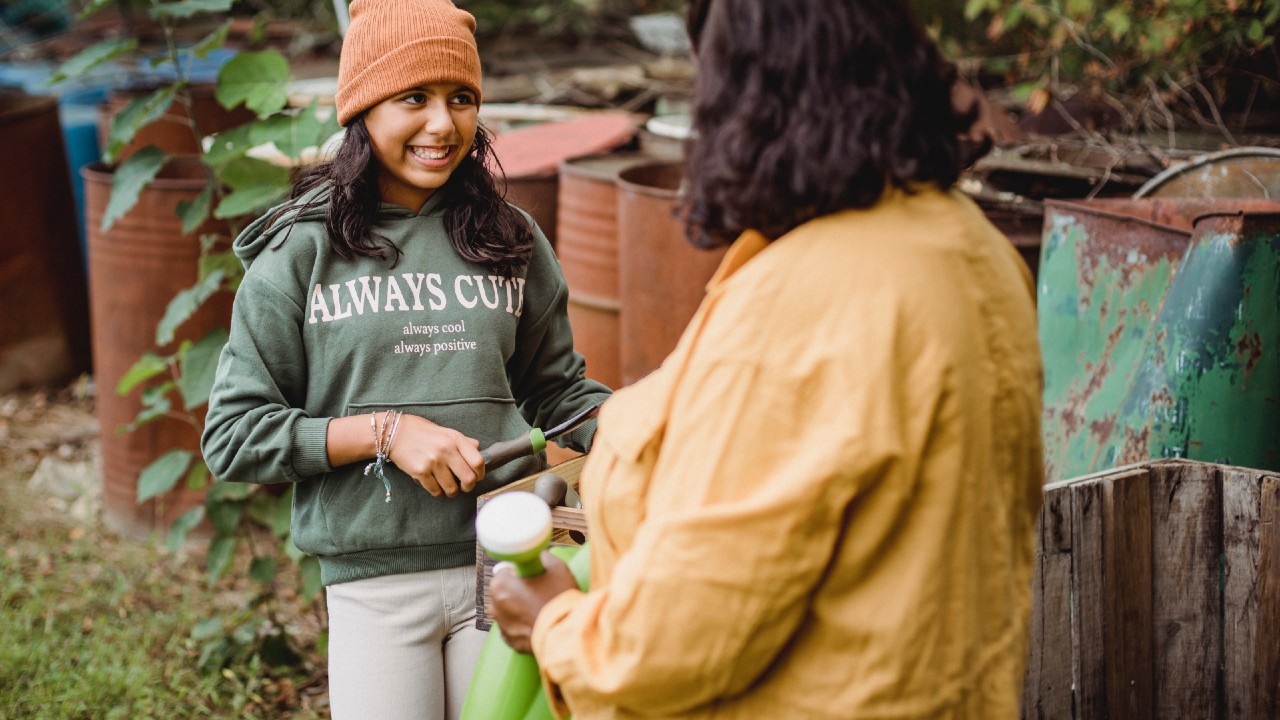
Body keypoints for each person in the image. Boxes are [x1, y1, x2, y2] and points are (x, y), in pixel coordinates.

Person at [489, 1, 1044, 718]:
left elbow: (681, 637)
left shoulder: (805, 306)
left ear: (750, 97)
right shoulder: (977, 251)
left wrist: (555, 625)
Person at [199, 0, 611, 717]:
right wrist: (386, 431)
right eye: (413, 98)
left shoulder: (511, 239)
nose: (442, 124)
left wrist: (639, 428)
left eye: (462, 98)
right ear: (363, 109)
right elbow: (233, 436)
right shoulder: (302, 252)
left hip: (504, 564)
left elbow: (559, 394)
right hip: (375, 585)